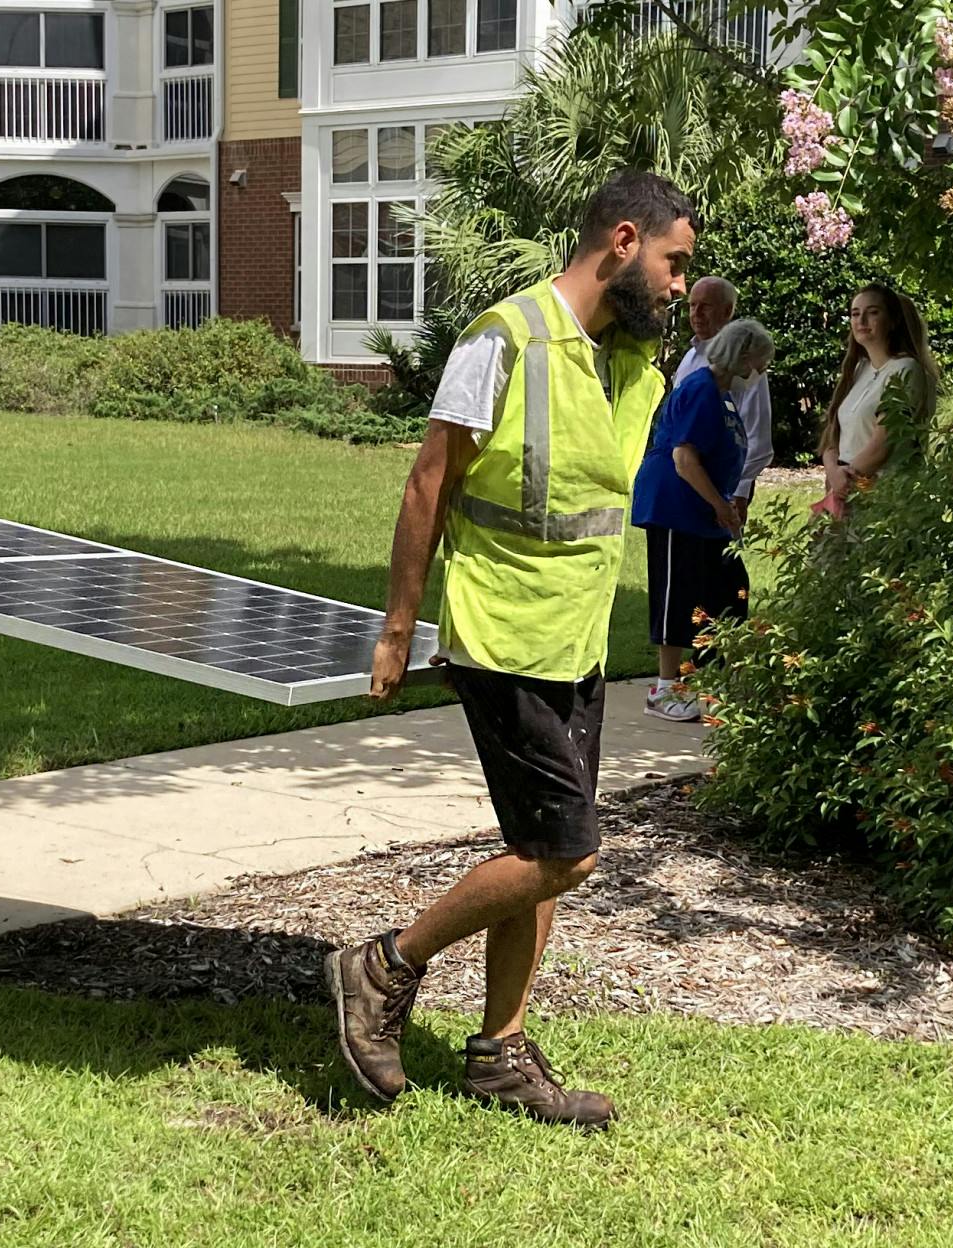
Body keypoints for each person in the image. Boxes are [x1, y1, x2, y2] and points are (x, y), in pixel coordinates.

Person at [325, 169, 697, 1130]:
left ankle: (498, 1051)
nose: (677, 285)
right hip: (498, 632)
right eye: (671, 262)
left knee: (535, 847)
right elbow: (427, 487)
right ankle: (381, 967)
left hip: (574, 642)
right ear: (623, 240)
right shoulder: (502, 340)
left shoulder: (627, 363)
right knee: (568, 852)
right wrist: (399, 627)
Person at [633, 318, 774, 722]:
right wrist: (719, 504)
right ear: (743, 353)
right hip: (677, 506)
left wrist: (726, 503)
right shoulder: (700, 389)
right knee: (676, 594)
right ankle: (664, 690)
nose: (761, 369)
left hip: (707, 510)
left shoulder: (725, 395)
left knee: (730, 589)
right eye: (759, 359)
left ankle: (711, 681)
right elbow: (684, 458)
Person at [814, 282, 940, 518]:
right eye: (855, 314)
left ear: (892, 321)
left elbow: (881, 447)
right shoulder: (859, 369)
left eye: (872, 313)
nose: (861, 321)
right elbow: (833, 438)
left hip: (882, 496)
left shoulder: (905, 369)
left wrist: (841, 485)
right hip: (845, 491)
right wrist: (833, 473)